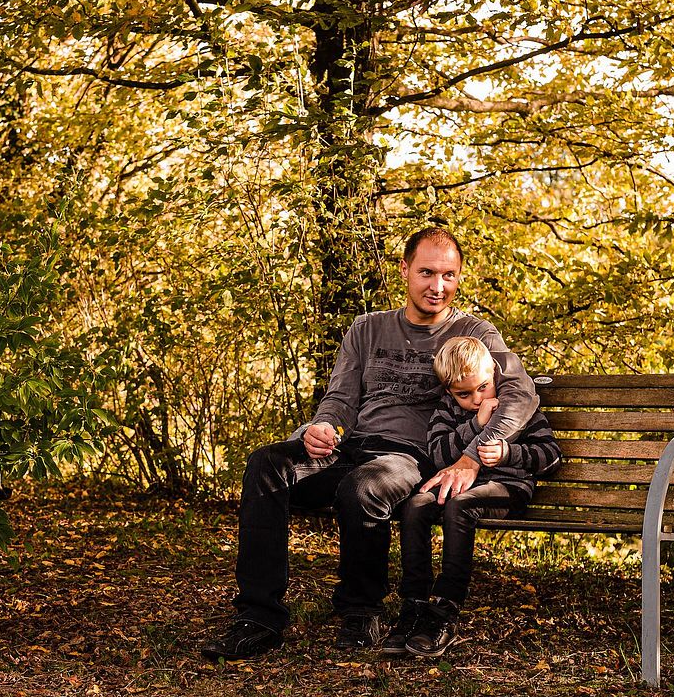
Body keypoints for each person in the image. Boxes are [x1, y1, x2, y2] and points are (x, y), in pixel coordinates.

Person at [201, 226, 541, 661]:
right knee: (267, 463)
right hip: (350, 446)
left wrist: (472, 456)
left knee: (363, 485)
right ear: (403, 270)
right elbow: (341, 399)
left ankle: (361, 610)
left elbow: (521, 393)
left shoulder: (475, 333)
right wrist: (323, 427)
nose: (438, 287)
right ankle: (258, 617)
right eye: (427, 273)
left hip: (408, 458)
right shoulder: (367, 329)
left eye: (449, 275)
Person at [382, 336, 561, 659]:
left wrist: (508, 453)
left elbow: (550, 457)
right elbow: (437, 454)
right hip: (459, 484)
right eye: (463, 394)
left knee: (458, 507)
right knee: (416, 505)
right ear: (448, 390)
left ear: (493, 374)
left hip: (508, 488)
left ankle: (445, 609)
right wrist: (475, 426)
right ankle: (414, 604)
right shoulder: (448, 411)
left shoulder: (517, 408)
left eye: (483, 387)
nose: (477, 399)